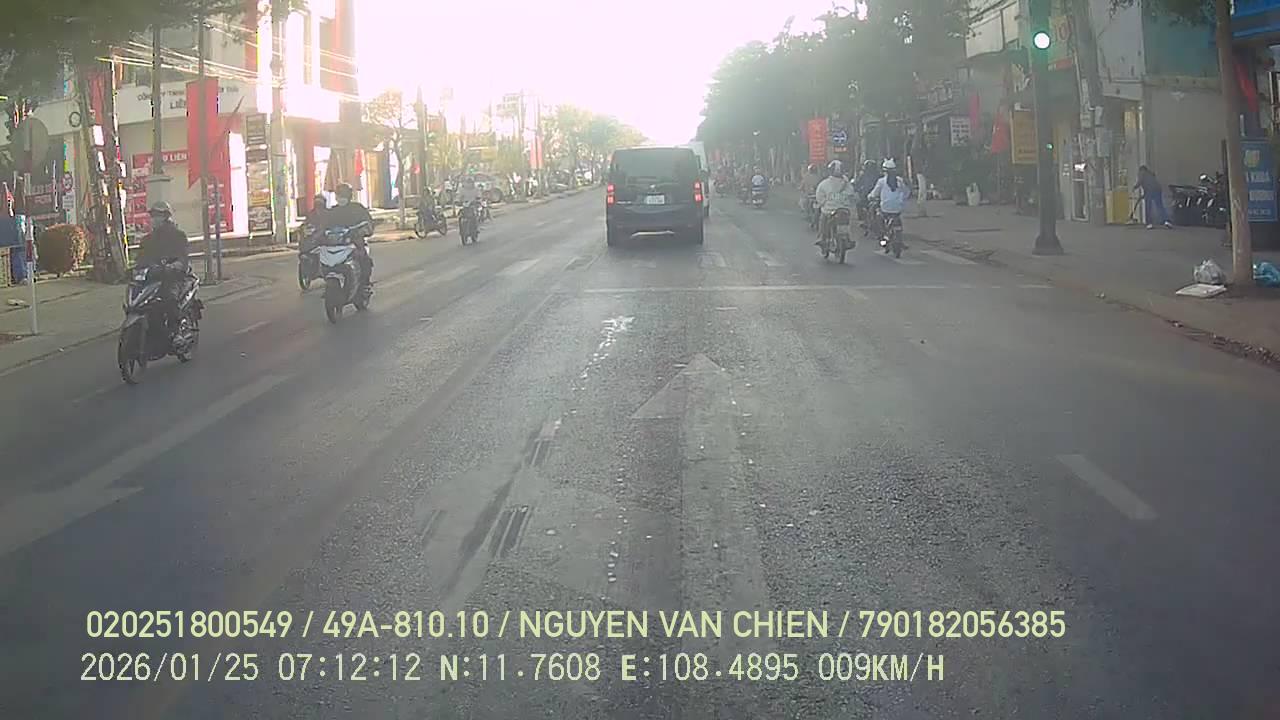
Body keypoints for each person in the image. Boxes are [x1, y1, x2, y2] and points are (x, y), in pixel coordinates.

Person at [322, 182, 375, 286]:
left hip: (353, 241)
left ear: (349, 196)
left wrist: (363, 230)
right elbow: (323, 225)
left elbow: (368, 223)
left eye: (343, 195)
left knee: (363, 259)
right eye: (339, 195)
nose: (341, 198)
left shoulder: (358, 209)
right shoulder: (332, 211)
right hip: (335, 243)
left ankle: (365, 284)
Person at [868, 159, 912, 248]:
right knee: (898, 220)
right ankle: (899, 240)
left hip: (885, 208)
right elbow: (906, 192)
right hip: (898, 208)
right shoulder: (900, 181)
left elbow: (874, 193)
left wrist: (870, 197)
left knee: (878, 217)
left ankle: (883, 237)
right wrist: (902, 200)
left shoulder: (881, 181)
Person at [814, 160, 855, 244]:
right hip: (844, 210)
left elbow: (819, 198)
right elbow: (852, 197)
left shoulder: (824, 184)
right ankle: (847, 238)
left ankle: (822, 238)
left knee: (822, 219)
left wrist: (824, 203)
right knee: (845, 224)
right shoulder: (848, 184)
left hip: (828, 211)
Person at [1134, 165, 1174, 229]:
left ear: (1141, 169)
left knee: (1148, 207)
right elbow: (1151, 184)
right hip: (1157, 189)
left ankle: (1149, 223)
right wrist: (1144, 195)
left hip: (1149, 190)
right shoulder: (1150, 174)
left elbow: (1140, 182)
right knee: (1160, 206)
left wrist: (1134, 188)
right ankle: (1166, 221)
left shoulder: (1142, 173)